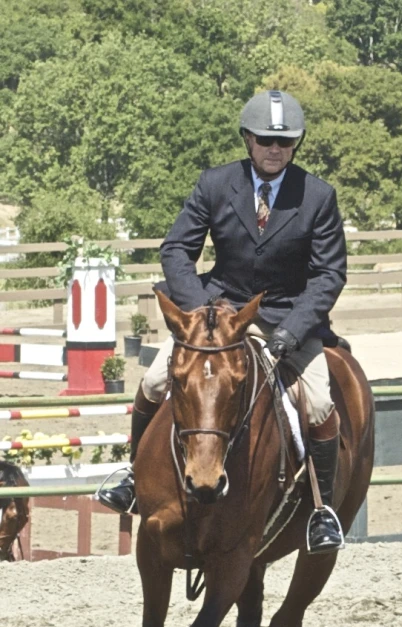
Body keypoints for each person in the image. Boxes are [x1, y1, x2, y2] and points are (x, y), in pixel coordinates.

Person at [98, 89, 347, 552]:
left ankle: (321, 510)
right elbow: (175, 249)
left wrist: (292, 331)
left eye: (285, 142)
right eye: (265, 141)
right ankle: (133, 475)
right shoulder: (215, 184)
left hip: (286, 317)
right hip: (218, 312)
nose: (275, 150)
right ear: (247, 140)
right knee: (154, 382)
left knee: (316, 404)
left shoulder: (317, 196)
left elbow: (330, 274)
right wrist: (199, 313)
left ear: (296, 144)